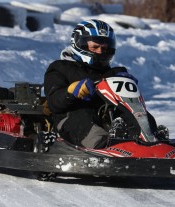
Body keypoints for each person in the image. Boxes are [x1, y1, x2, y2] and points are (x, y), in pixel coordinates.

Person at [44, 19, 164, 149]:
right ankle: (105, 145)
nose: (100, 52)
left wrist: (126, 83)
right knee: (83, 115)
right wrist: (72, 92)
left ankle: (153, 141)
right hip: (71, 119)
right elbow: (53, 102)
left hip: (106, 117)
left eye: (104, 48)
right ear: (79, 43)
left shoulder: (114, 72)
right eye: (95, 47)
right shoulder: (60, 67)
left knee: (135, 113)